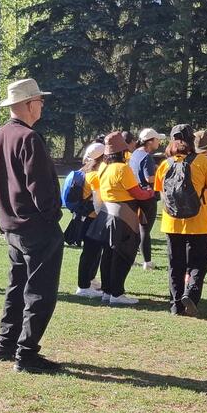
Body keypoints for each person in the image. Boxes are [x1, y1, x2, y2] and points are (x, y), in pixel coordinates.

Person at [0, 79, 63, 373]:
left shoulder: (0, 135)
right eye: (40, 101)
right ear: (29, 104)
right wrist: (52, 215)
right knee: (39, 292)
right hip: (35, 226)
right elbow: (41, 187)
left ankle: (6, 345)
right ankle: (26, 354)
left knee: (17, 287)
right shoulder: (29, 138)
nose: (42, 105)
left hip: (12, 225)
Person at [155, 124, 207, 316]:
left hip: (171, 221)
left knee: (175, 263)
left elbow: (161, 192)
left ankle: (175, 305)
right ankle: (190, 293)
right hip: (198, 220)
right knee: (199, 260)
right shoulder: (203, 162)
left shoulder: (165, 165)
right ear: (192, 140)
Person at [95, 132, 154, 305]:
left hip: (106, 213)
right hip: (123, 215)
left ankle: (107, 291)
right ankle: (117, 294)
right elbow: (138, 193)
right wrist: (150, 192)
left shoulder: (103, 167)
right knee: (123, 255)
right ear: (122, 150)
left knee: (108, 254)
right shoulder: (122, 168)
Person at [64, 142, 107, 298]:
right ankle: (83, 286)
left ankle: (89, 281)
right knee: (90, 253)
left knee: (93, 252)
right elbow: (98, 202)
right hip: (91, 219)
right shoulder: (95, 175)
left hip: (85, 218)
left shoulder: (85, 171)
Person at [128, 128, 162, 270]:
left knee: (137, 229)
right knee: (145, 230)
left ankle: (131, 258)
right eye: (157, 140)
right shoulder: (147, 157)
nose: (159, 142)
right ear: (150, 141)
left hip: (135, 195)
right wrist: (161, 172)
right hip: (147, 196)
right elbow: (150, 178)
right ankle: (147, 262)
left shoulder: (135, 153)